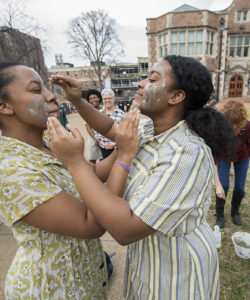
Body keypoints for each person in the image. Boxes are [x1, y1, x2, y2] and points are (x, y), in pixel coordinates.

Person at [47, 55, 237, 299]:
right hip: (148, 256)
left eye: (152, 79)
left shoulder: (185, 153)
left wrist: (75, 163)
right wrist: (78, 101)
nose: (140, 83)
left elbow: (126, 229)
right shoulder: (150, 127)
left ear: (176, 96)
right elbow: (110, 129)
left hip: (176, 270)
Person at [0, 61, 138, 299]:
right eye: (36, 90)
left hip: (84, 280)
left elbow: (93, 175)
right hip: (50, 288)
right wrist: (124, 156)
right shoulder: (9, 168)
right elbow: (91, 223)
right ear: (4, 106)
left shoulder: (47, 144)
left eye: (46, 88)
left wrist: (123, 145)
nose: (51, 97)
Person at [214, 99, 250, 228]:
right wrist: (217, 184)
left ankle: (235, 212)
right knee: (223, 185)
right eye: (230, 123)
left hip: (242, 157)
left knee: (240, 188)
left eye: (236, 123)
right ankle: (219, 214)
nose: (234, 126)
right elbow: (212, 156)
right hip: (223, 156)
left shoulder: (248, 126)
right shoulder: (217, 127)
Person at [98, 88, 125, 158]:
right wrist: (102, 143)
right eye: (105, 99)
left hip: (117, 147)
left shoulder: (121, 113)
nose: (107, 100)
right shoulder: (99, 113)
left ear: (113, 99)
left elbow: (124, 130)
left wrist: (114, 144)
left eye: (109, 98)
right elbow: (96, 130)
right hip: (103, 147)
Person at [85, 89, 103, 163]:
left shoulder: (104, 110)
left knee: (103, 160)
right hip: (92, 139)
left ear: (99, 98)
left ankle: (102, 174)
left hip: (104, 139)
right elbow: (88, 127)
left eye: (94, 98)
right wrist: (95, 139)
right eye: (90, 99)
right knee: (92, 160)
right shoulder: (87, 111)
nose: (93, 100)